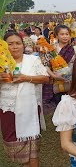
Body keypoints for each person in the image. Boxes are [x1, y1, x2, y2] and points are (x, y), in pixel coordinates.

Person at [0, 32, 49, 167]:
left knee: (32, 146)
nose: (15, 47)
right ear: (4, 47)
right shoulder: (1, 62)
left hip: (30, 108)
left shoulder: (32, 60)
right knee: (13, 144)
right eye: (10, 44)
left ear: (23, 45)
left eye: (18, 43)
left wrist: (26, 78)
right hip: (9, 109)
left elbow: (45, 78)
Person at [42, 25, 75, 110]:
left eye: (67, 34)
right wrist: (54, 76)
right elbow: (46, 65)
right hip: (55, 81)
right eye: (62, 34)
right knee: (58, 106)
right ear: (56, 35)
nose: (65, 36)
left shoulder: (74, 49)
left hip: (71, 82)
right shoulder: (51, 49)